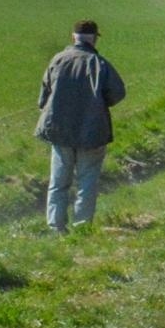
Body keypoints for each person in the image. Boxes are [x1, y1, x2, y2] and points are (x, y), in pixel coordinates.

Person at [36, 20, 127, 232]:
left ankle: (56, 227)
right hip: (92, 132)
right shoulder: (99, 64)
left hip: (60, 131)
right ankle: (82, 227)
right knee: (87, 182)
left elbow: (43, 99)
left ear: (73, 37)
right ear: (94, 39)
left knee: (58, 182)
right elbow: (118, 93)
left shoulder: (57, 60)